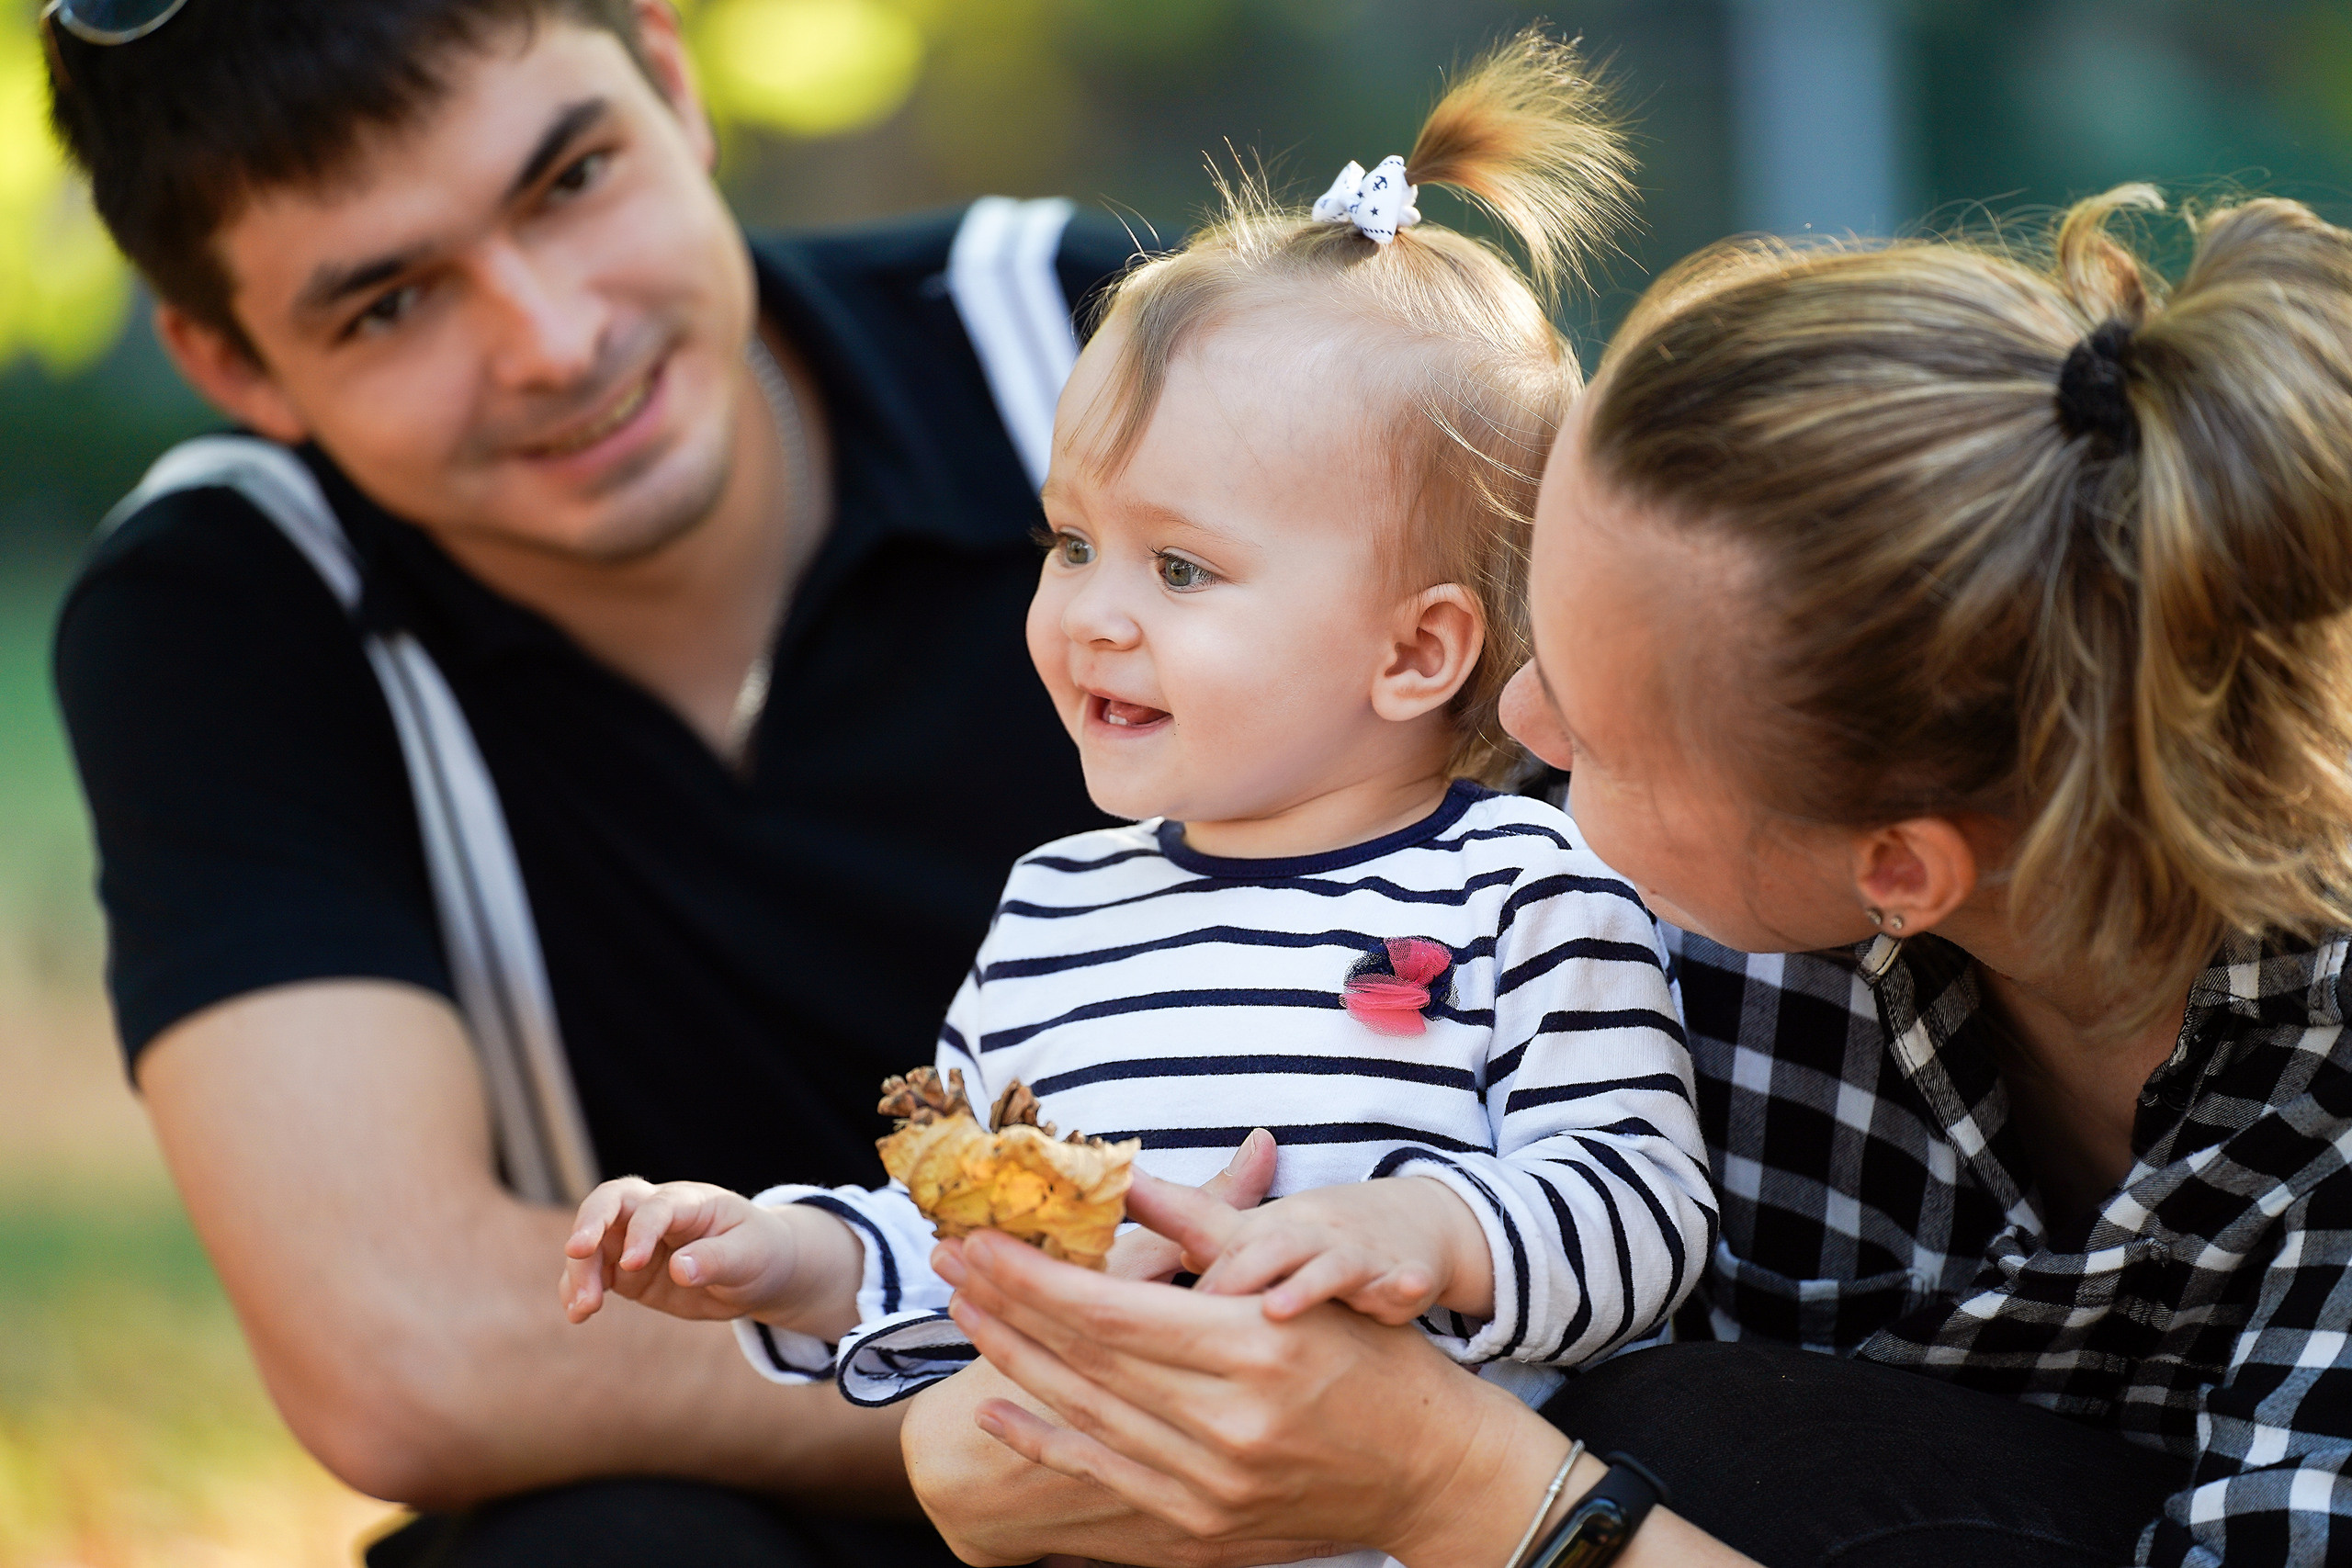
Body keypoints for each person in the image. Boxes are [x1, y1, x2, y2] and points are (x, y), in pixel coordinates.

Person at [895, 184, 2352, 1568]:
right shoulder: (1536, 875)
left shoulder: (2315, 1095)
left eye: (1593, 732)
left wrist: (1458, 1486)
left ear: (1893, 872)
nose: (1509, 731)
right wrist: (975, 1441)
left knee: (1697, 1434)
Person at [555, 42, 1715, 1568]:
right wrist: (784, 1253)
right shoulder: (1058, 908)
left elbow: (1644, 1207)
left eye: (1179, 569)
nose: (1093, 613)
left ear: (1416, 649)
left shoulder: (1524, 885)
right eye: (1070, 543)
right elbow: (980, 1233)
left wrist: (1423, 1232)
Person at [44, 1, 1136, 1562]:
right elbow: (405, 1343)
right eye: (389, 305)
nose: (555, 341)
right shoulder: (235, 598)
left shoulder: (1088, 341)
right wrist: (1126, 1410)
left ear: (672, 82)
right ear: (232, 359)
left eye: (568, 181)